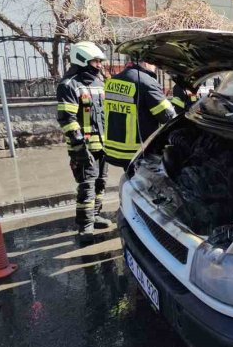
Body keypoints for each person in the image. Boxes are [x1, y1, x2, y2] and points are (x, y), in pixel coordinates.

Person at [56, 41, 112, 245]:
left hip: (103, 145)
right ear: (82, 60)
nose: (99, 65)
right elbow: (67, 119)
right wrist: (79, 147)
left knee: (101, 184)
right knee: (87, 187)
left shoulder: (99, 82)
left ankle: (95, 215)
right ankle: (85, 226)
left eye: (99, 61)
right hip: (83, 148)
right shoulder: (69, 85)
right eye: (95, 61)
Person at [102, 61, 176, 168]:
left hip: (114, 149)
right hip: (137, 150)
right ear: (146, 63)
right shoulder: (146, 82)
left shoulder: (113, 81)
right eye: (153, 64)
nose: (155, 67)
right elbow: (168, 116)